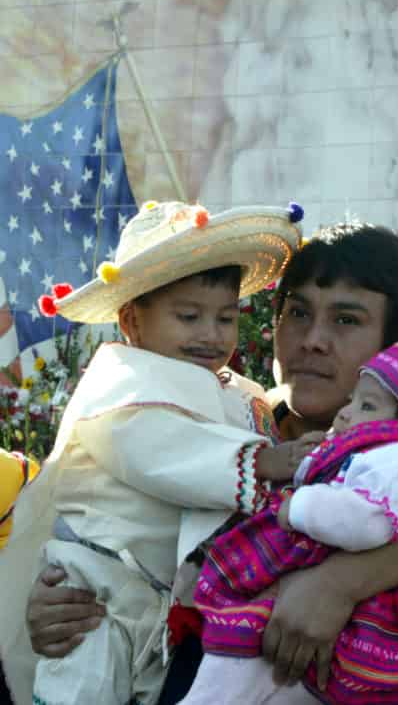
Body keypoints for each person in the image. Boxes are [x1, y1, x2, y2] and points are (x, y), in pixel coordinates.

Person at [22, 221, 398, 703]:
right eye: (297, 313)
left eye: (346, 320)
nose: (313, 341)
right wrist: (60, 606)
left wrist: (340, 584)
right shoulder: (228, 421)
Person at [0, 201, 310, 705]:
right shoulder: (122, 391)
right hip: (97, 594)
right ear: (132, 323)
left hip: (157, 607)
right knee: (84, 688)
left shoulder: (234, 394)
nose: (211, 335)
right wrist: (260, 462)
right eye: (189, 316)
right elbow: (160, 451)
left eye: (226, 318)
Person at [184, 318, 398, 704]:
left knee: (239, 667)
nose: (346, 413)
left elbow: (367, 519)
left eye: (367, 406)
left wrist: (297, 508)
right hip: (317, 617)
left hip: (343, 612)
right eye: (352, 401)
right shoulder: (375, 448)